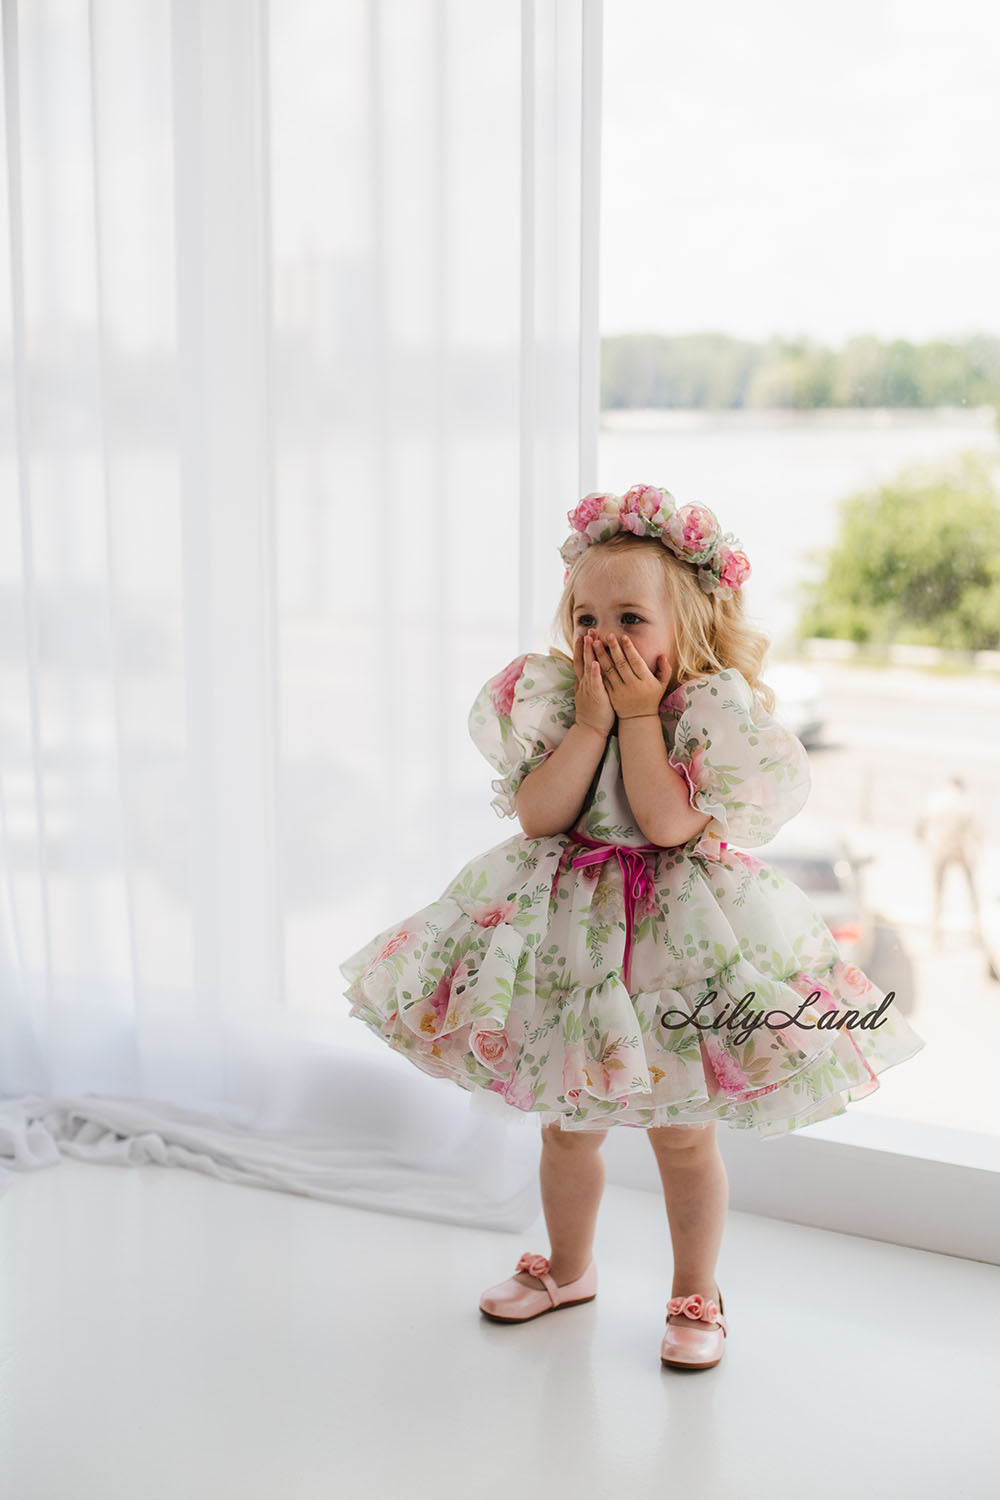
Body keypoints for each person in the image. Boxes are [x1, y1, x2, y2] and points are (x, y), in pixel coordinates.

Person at [339, 483, 927, 1372]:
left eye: (629, 617)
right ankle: (567, 1269)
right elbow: (542, 816)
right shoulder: (558, 707)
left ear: (684, 628)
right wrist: (589, 724)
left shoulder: (702, 716)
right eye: (585, 616)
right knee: (567, 1126)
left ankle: (698, 1292)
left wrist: (642, 718)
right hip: (568, 944)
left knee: (683, 1135)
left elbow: (662, 823)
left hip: (674, 947)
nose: (602, 639)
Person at [914, 774, 983, 948]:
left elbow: (919, 824)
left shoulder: (936, 800)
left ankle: (936, 935)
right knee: (971, 892)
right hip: (959, 850)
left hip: (938, 849)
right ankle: (976, 930)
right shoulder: (964, 803)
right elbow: (975, 831)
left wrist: (925, 842)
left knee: (938, 892)